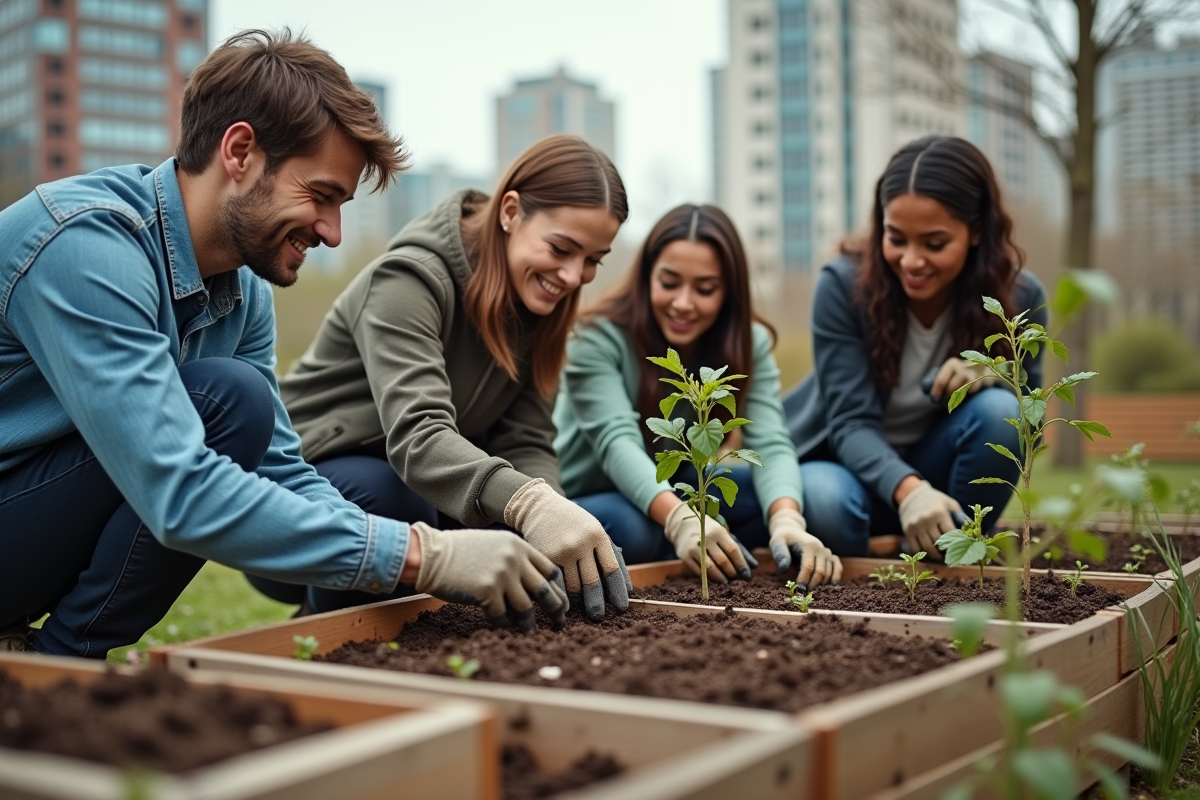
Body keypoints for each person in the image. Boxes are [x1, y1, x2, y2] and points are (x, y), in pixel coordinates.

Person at [0, 30, 568, 657]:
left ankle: (55, 657)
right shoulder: (86, 246)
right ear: (240, 151)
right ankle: (60, 663)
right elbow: (176, 489)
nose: (331, 231)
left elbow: (277, 464)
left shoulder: (244, 289)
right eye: (321, 195)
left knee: (233, 405)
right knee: (227, 399)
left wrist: (423, 548)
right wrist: (422, 556)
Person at [263, 134, 632, 621]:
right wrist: (529, 505)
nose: (572, 275)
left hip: (424, 496)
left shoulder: (538, 303)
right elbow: (420, 436)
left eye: (592, 261)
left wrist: (553, 517)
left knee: (501, 540)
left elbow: (526, 440)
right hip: (300, 496)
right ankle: (320, 626)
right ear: (511, 212)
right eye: (562, 248)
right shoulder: (409, 279)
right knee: (391, 494)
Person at [553, 204, 843, 590]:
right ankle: (682, 541)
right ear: (646, 277)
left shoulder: (747, 343)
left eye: (705, 289)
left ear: (728, 291)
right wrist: (682, 521)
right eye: (669, 283)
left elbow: (770, 442)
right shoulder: (595, 337)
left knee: (801, 503)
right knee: (630, 529)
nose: (684, 303)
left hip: (683, 486)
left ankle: (707, 545)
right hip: (594, 492)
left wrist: (787, 520)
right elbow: (615, 444)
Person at [783, 135, 1046, 558]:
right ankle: (878, 569)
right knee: (826, 501)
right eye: (896, 238)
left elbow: (1031, 414)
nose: (910, 261)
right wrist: (910, 493)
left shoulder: (1020, 299)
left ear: (977, 231)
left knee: (1003, 414)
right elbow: (850, 423)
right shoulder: (843, 286)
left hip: (940, 473)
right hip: (848, 469)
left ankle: (956, 550)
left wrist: (993, 377)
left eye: (934, 243)